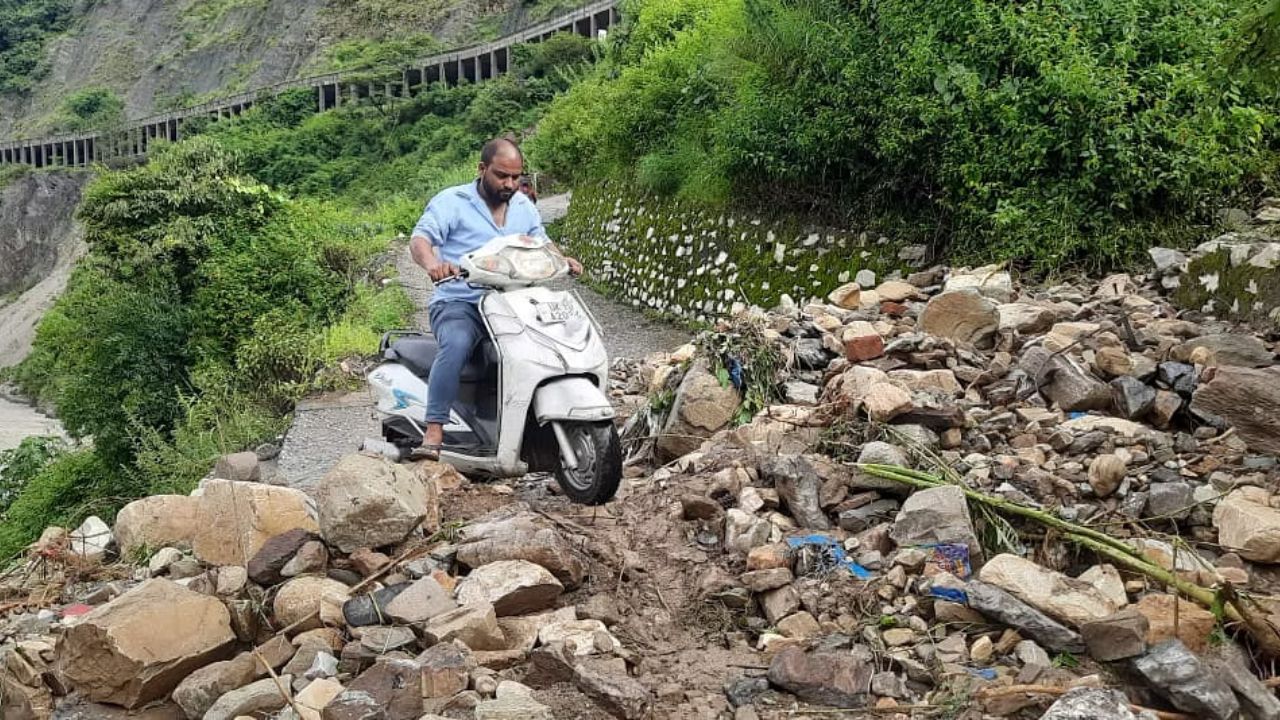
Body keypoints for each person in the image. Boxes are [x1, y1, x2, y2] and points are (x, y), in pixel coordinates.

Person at [408, 138, 582, 457]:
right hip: (461, 301)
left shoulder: (523, 206)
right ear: (482, 169)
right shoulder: (451, 201)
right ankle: (433, 432)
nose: (510, 184)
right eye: (502, 176)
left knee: (551, 345)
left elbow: (541, 242)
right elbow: (421, 239)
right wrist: (433, 264)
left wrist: (563, 259)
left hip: (515, 304)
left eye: (516, 177)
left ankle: (541, 430)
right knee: (457, 344)